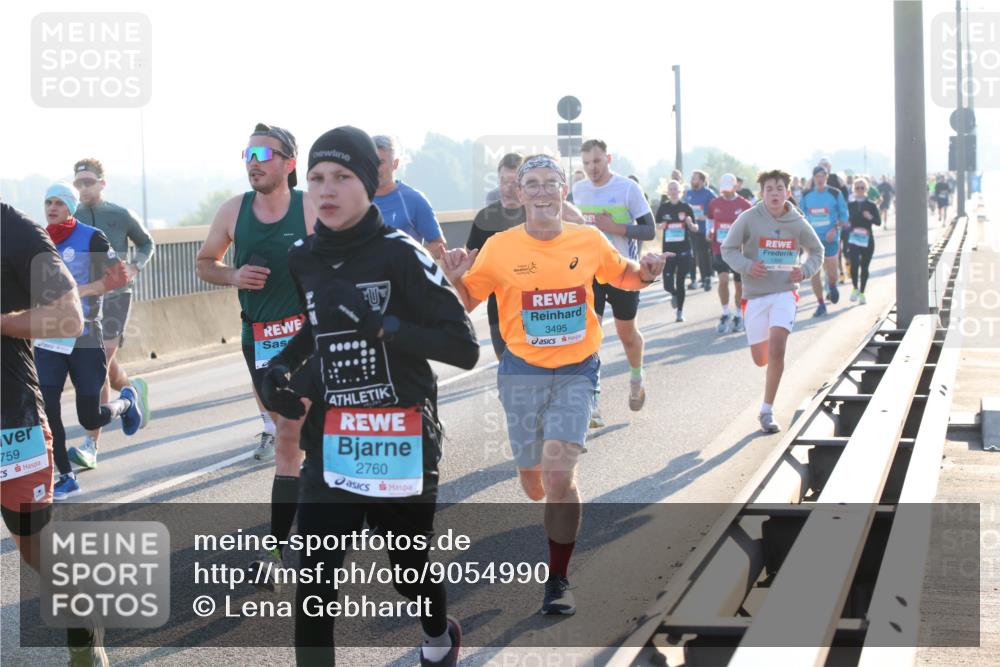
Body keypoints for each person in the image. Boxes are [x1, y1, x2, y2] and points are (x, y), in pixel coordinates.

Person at [259, 126, 478, 666]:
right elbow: (318, 326)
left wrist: (385, 327)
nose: (326, 190)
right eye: (316, 178)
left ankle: (437, 633)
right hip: (332, 440)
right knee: (313, 589)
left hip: (400, 441)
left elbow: (463, 347)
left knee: (409, 574)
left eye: (341, 177)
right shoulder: (304, 257)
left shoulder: (400, 253)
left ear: (371, 181)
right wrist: (281, 367)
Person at [443, 153, 668, 617]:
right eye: (534, 184)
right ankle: (541, 489)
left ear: (564, 191)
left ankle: (558, 579)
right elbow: (465, 302)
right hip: (521, 371)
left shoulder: (587, 240)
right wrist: (453, 278)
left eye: (552, 183)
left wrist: (646, 271)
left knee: (559, 475)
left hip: (576, 370)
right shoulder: (501, 248)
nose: (543, 191)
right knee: (533, 485)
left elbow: (623, 275)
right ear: (519, 194)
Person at [196, 123, 314, 586]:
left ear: (288, 163)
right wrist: (234, 276)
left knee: (294, 437)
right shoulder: (233, 210)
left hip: (312, 339)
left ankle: (282, 545)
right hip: (260, 341)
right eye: (248, 152)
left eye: (265, 152)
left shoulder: (310, 208)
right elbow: (205, 262)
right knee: (290, 438)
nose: (254, 160)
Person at [1, 202, 113, 667]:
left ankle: (84, 626)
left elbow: (69, 317)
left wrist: (2, 323)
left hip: (11, 421)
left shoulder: (16, 233)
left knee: (34, 546)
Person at [34, 183, 147, 500]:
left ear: (70, 206)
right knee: (48, 410)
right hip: (49, 339)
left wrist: (79, 292)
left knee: (90, 416)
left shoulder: (90, 236)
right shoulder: (39, 239)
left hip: (85, 335)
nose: (52, 207)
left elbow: (119, 277)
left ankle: (126, 401)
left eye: (58, 202)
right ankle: (66, 477)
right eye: (48, 202)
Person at [721, 169, 823, 433]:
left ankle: (766, 410)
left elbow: (817, 250)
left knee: (778, 349)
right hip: (755, 295)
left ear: (787, 192)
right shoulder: (749, 218)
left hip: (785, 292)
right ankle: (768, 371)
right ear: (762, 193)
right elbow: (728, 249)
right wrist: (746, 266)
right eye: (769, 189)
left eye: (779, 188)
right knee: (761, 358)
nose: (775, 193)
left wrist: (805, 270)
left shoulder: (797, 222)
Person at [71, 157, 156, 469]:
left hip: (118, 297)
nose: (83, 187)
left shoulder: (120, 215)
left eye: (89, 181)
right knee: (103, 362)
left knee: (97, 364)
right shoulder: (71, 218)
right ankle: (132, 390)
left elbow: (147, 243)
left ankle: (91, 444)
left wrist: (135, 266)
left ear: (102, 184)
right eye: (78, 182)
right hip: (87, 303)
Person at [573, 139, 657, 413]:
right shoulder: (579, 190)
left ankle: (636, 379)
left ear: (608, 158)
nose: (592, 168)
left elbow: (649, 231)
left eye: (596, 161)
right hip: (591, 274)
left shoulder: (627, 188)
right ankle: (591, 402)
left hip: (624, 271)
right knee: (589, 336)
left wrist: (616, 228)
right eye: (586, 163)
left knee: (627, 334)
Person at [467, 153, 526, 360]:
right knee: (506, 372)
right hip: (498, 308)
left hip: (535, 308)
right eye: (504, 181)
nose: (509, 187)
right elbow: (472, 262)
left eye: (514, 182)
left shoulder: (537, 215)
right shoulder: (484, 218)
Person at [372, 135, 447, 260]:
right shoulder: (355, 199)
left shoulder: (413, 200)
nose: (375, 168)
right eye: (371, 161)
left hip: (403, 278)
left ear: (395, 163)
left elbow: (439, 246)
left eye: (381, 162)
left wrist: (406, 259)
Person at [707, 174, 753, 334]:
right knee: (723, 280)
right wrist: (709, 231)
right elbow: (710, 219)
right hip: (719, 247)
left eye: (728, 190)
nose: (725, 193)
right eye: (723, 190)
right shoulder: (714, 203)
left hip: (739, 251)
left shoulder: (745, 204)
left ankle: (739, 314)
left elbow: (751, 226)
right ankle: (726, 312)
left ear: (735, 187)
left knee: (739, 285)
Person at [800, 165, 848, 316]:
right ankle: (820, 303)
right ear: (813, 178)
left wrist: (834, 229)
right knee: (814, 273)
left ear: (826, 177)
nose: (820, 179)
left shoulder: (835, 193)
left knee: (833, 274)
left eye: (822, 176)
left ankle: (832, 286)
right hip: (813, 241)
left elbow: (844, 216)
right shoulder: (806, 195)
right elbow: (800, 216)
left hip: (830, 239)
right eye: (817, 176)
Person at [656, 180, 697, 322]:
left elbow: (695, 228)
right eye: (670, 189)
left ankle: (679, 311)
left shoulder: (686, 207)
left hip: (684, 250)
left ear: (680, 191)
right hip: (668, 251)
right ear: (667, 192)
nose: (673, 191)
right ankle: (673, 293)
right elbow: (657, 225)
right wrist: (661, 226)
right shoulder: (663, 208)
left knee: (680, 281)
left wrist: (690, 224)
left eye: (675, 189)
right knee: (667, 283)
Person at [847, 178, 881, 304]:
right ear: (854, 190)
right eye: (857, 188)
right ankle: (855, 288)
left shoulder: (871, 205)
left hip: (867, 240)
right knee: (854, 265)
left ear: (866, 189)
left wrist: (870, 217)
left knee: (865, 267)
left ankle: (862, 292)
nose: (860, 190)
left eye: (862, 188)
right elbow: (845, 222)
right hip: (854, 239)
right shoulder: (850, 205)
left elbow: (878, 222)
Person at [684, 169, 716, 291]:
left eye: (695, 178)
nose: (692, 180)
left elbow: (716, 208)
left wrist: (707, 215)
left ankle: (706, 278)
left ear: (702, 181)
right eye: (692, 178)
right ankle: (693, 280)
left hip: (703, 229)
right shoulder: (688, 193)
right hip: (691, 229)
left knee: (703, 255)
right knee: (691, 255)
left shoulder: (709, 194)